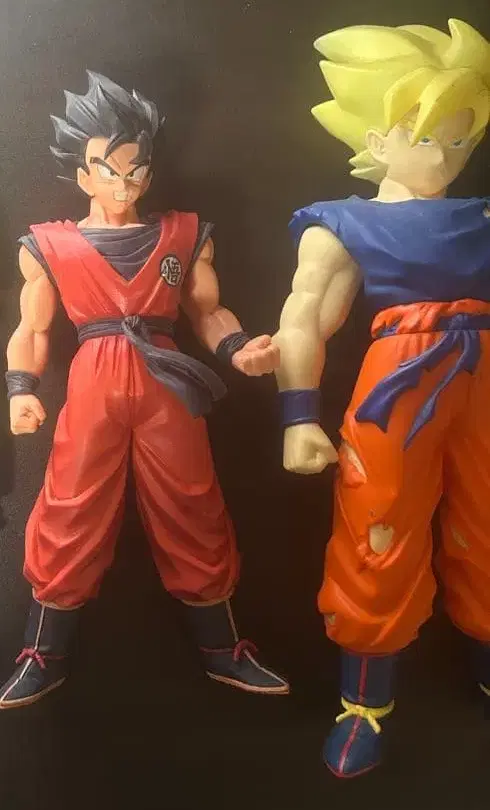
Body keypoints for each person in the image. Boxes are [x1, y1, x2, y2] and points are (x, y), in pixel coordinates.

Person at [0, 71, 289, 709]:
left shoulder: (183, 234)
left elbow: (208, 311)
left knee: (193, 504)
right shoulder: (49, 244)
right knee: (70, 506)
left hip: (166, 378)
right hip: (93, 379)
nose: (124, 183)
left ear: (149, 173)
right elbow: (31, 329)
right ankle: (43, 650)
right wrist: (21, 387)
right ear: (83, 174)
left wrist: (240, 348)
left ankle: (223, 647)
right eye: (109, 170)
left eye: (136, 170)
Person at [273, 19, 490, 777]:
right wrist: (298, 416)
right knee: (377, 526)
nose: (445, 154)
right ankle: (364, 700)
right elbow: (304, 317)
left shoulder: (483, 217)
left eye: (461, 137)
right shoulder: (342, 223)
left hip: (485, 376)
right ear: (377, 138)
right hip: (397, 381)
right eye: (425, 135)